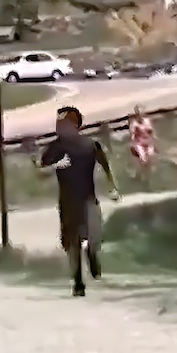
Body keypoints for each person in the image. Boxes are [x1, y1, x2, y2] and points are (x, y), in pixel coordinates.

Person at [34, 106, 122, 297]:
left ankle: (92, 254)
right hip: (68, 203)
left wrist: (112, 187)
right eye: (58, 123)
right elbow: (39, 172)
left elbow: (104, 163)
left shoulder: (89, 145)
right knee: (72, 243)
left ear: (75, 125)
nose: (59, 127)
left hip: (89, 199)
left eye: (64, 123)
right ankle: (78, 282)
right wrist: (56, 165)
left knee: (94, 236)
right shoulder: (54, 148)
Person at [128, 105, 155, 177]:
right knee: (143, 159)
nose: (140, 115)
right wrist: (132, 145)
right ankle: (142, 173)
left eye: (141, 113)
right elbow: (132, 135)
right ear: (136, 114)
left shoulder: (147, 121)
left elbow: (151, 132)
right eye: (138, 114)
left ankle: (149, 172)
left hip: (148, 142)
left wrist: (154, 139)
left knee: (151, 157)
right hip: (139, 143)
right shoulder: (134, 124)